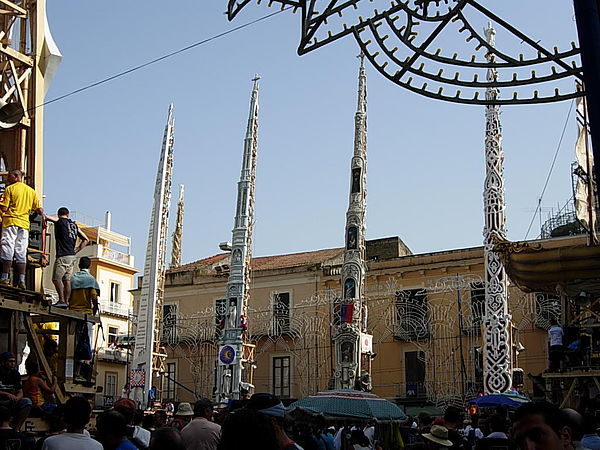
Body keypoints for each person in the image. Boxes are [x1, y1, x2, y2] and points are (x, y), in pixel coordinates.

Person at [0, 169, 43, 289]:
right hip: (24, 224)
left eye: (10, 176)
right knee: (21, 251)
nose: (8, 179)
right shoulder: (31, 191)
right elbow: (39, 209)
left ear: (16, 176)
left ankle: (4, 277)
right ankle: (22, 281)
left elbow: (3, 209)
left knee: (8, 248)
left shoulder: (9, 189)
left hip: (11, 222)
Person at [44, 207, 89, 307]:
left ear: (59, 214)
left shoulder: (61, 221)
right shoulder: (74, 226)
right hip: (71, 257)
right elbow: (86, 239)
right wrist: (76, 250)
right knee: (66, 280)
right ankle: (67, 302)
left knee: (56, 279)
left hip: (62, 256)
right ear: (68, 215)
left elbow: (51, 218)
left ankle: (61, 300)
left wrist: (44, 216)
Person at [69, 257, 99, 379]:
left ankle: (72, 371)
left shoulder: (73, 279)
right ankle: (80, 372)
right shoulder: (91, 280)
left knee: (73, 344)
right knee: (85, 344)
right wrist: (94, 310)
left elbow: (67, 293)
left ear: (79, 266)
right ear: (89, 266)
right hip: (86, 315)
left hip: (72, 313)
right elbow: (94, 298)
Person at [0, 352, 32, 430]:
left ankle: (16, 429)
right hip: (1, 401)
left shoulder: (15, 374)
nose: (13, 364)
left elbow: (20, 391)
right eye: (10, 361)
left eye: (14, 361)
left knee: (27, 402)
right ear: (3, 362)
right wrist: (6, 394)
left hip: (11, 401)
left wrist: (17, 398)